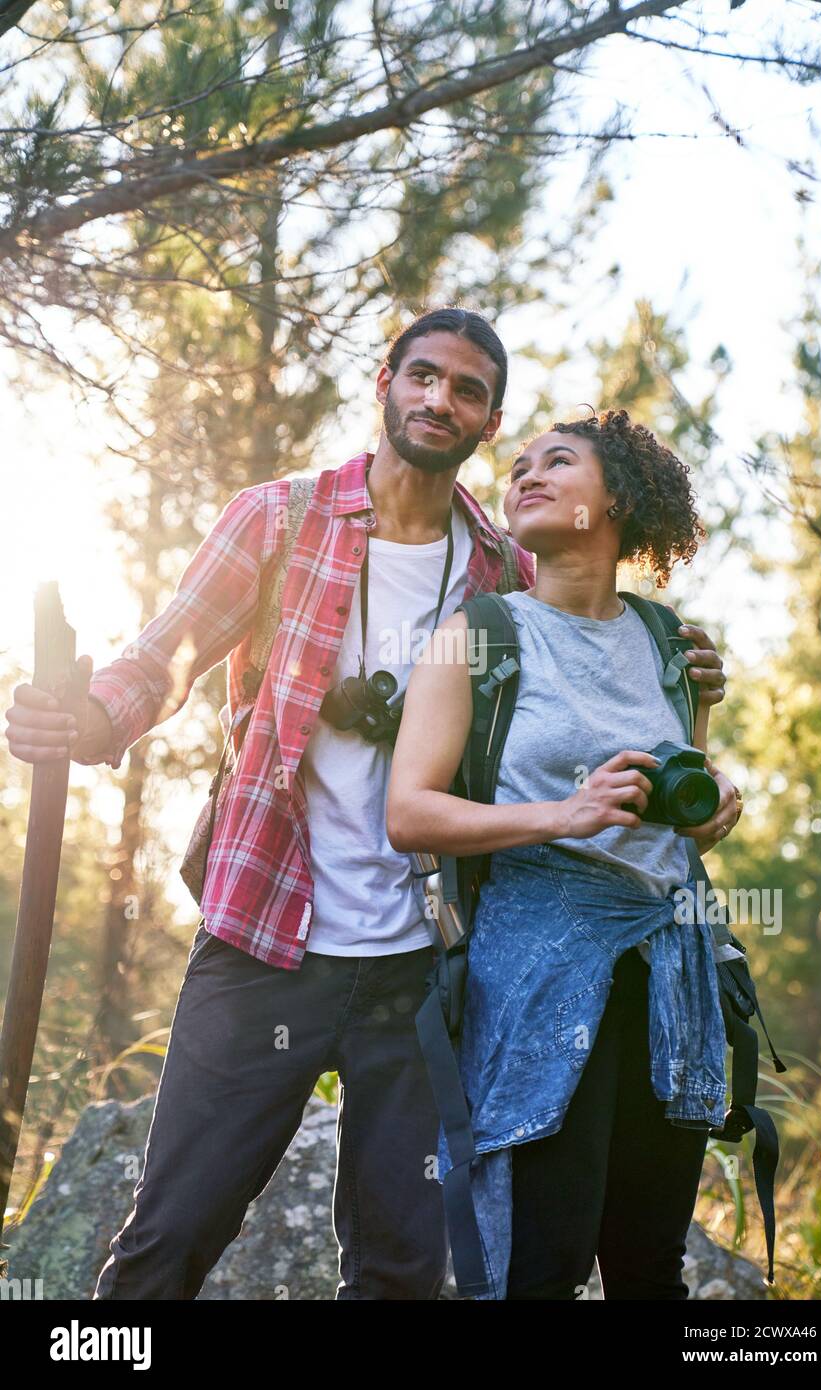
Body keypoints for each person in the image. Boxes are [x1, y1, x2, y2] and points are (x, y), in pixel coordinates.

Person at [4, 312, 727, 1301]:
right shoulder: (279, 517)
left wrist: (683, 672)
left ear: (488, 418)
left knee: (398, 1270)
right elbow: (162, 658)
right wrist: (85, 723)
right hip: (268, 939)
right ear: (386, 382)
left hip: (424, 968)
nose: (440, 399)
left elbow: (592, 673)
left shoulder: (501, 568)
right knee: (167, 1242)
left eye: (466, 390)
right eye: (422, 376)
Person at [387, 407, 741, 1300]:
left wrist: (715, 805)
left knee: (648, 1265)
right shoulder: (479, 632)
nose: (524, 476)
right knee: (537, 1260)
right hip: (537, 972)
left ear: (617, 499)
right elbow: (410, 812)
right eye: (517, 467)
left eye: (556, 461)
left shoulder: (669, 643)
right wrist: (563, 815)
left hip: (669, 973)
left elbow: (678, 810)